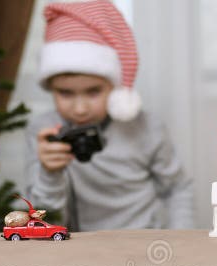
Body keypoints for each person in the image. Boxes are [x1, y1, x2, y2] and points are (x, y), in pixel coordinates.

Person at [25, 0, 194, 231]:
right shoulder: (44, 133)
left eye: (93, 92)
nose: (80, 109)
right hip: (83, 247)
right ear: (51, 88)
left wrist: (181, 238)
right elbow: (46, 222)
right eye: (65, 93)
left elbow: (178, 189)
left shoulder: (147, 127)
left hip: (146, 240)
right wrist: (50, 174)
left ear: (114, 87)